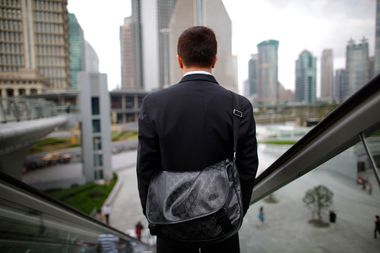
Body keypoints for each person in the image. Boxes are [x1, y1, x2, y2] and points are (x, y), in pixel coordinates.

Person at [137, 26, 258, 253]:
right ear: (214, 60)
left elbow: (145, 166)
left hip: (170, 220)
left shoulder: (153, 104)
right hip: (222, 222)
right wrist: (237, 208)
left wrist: (151, 211)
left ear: (180, 60)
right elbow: (248, 166)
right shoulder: (239, 106)